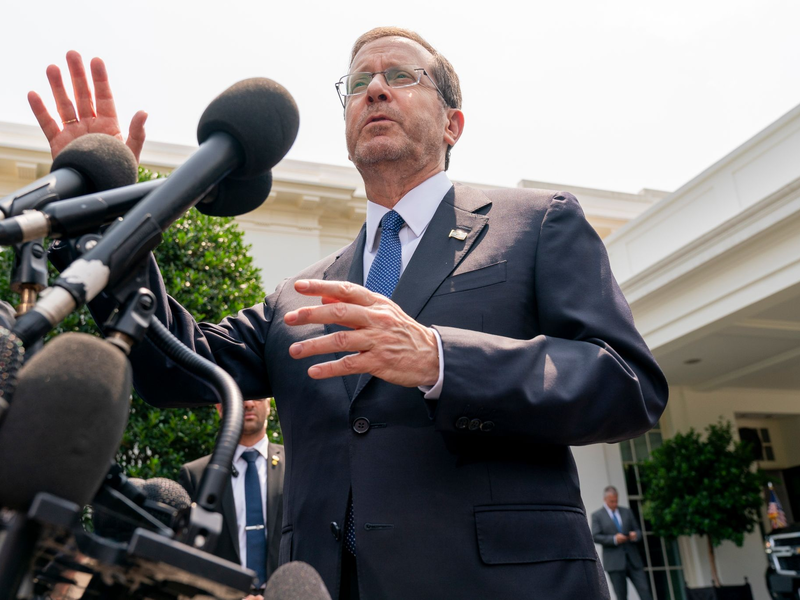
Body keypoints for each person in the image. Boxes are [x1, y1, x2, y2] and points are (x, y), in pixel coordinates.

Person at [30, 27, 668, 600]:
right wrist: (110, 219)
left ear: (453, 124)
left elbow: (628, 384)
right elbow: (177, 368)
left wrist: (441, 359)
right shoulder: (302, 294)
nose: (375, 91)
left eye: (400, 76)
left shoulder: (535, 224)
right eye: (359, 83)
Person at [179, 398, 284, 591]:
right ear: (219, 407)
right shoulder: (197, 474)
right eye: (241, 395)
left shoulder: (294, 467)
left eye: (258, 396)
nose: (249, 403)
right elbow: (190, 553)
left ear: (269, 404)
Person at [591, 486, 653, 600]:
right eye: (612, 501)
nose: (615, 504)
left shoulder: (627, 512)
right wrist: (614, 539)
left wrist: (635, 535)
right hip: (615, 563)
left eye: (616, 501)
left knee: (645, 592)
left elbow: (638, 531)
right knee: (621, 596)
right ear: (605, 499)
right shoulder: (597, 515)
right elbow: (595, 536)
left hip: (633, 560)